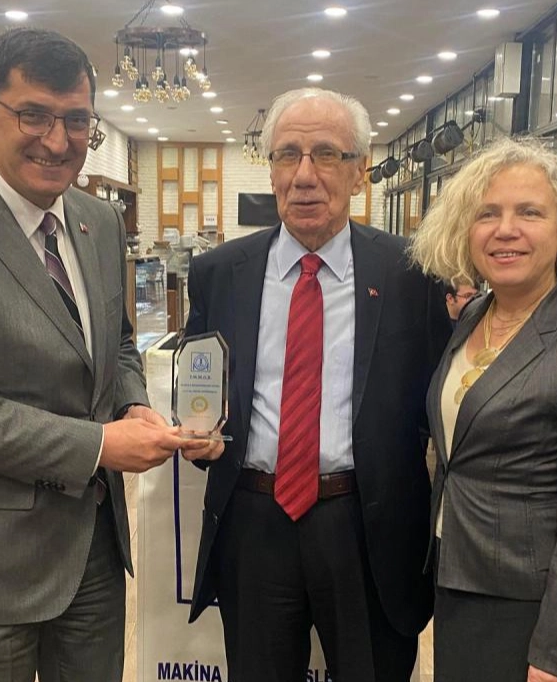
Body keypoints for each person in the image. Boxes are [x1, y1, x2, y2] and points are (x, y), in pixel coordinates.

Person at [0, 27, 220, 682]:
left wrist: (133, 403)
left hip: (92, 553)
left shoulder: (98, 222)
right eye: (33, 115)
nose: (58, 141)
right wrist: (99, 445)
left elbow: (117, 342)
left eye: (77, 120)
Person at [184, 87, 450, 681]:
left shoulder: (412, 273)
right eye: (288, 154)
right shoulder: (219, 273)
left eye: (326, 154)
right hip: (253, 519)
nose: (304, 175)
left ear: (359, 171)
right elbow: (202, 389)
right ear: (272, 169)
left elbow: (435, 401)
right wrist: (199, 440)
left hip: (367, 524)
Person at [410, 137, 557, 682]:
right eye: (487, 213)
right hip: (460, 583)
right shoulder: (475, 317)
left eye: (530, 213)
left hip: (536, 608)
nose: (505, 229)